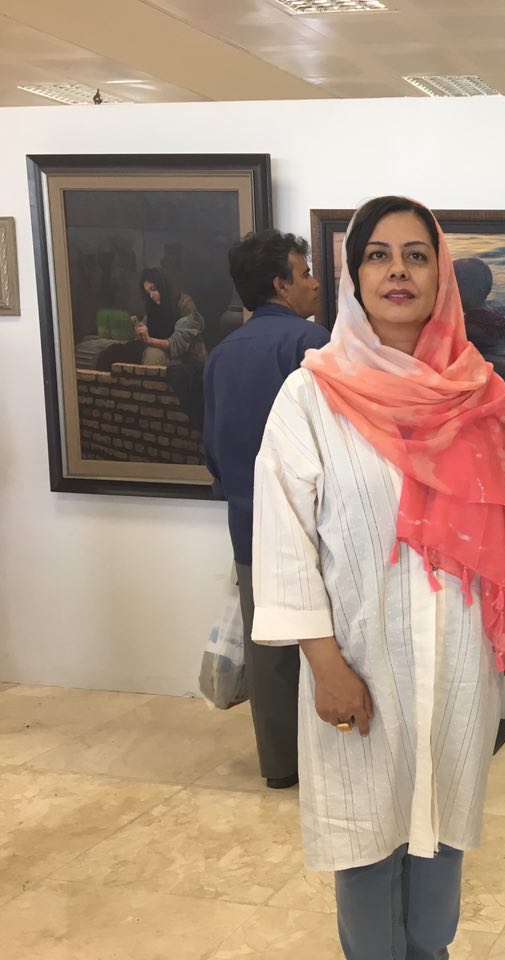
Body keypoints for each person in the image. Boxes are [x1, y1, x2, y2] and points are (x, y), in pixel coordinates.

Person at [250, 196, 505, 960]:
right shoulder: (313, 397)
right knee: (367, 841)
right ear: (354, 275)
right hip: (360, 662)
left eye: (417, 255)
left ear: (441, 274)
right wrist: (325, 667)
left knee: (442, 833)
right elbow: (284, 541)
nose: (398, 271)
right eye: (378, 255)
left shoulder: (480, 396)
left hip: (457, 661)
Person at [203, 229, 328, 789]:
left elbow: (212, 449)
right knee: (327, 643)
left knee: (269, 649)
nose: (314, 284)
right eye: (305, 273)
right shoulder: (311, 343)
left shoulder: (222, 354)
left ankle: (280, 767)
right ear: (281, 284)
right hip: (315, 523)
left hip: (248, 523)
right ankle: (333, 761)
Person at [132, 267, 207, 364]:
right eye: (148, 292)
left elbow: (176, 344)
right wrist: (139, 331)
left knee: (152, 354)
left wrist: (149, 340)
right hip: (167, 358)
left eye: (153, 289)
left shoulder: (183, 303)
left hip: (189, 361)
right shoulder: (153, 308)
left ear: (162, 286)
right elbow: (145, 330)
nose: (151, 295)